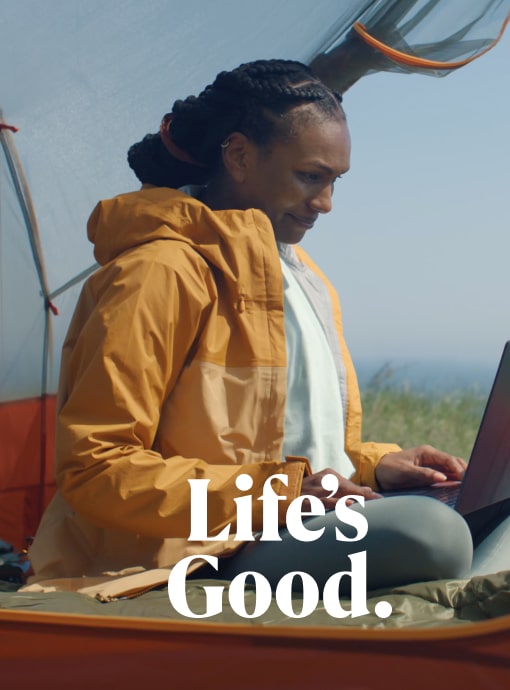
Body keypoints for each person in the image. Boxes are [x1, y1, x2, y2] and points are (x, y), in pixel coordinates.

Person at [29, 59, 473, 592]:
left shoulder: (305, 280)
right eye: (311, 176)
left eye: (335, 181)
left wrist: (376, 467)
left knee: (505, 506)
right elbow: (97, 471)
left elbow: (285, 451)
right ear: (238, 155)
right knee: (434, 533)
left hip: (285, 529)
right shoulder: (156, 274)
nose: (326, 203)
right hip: (190, 558)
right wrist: (280, 496)